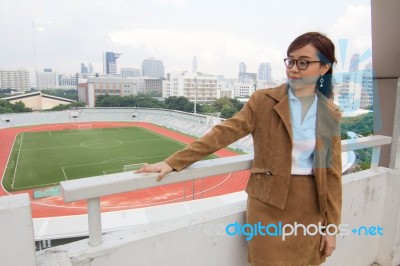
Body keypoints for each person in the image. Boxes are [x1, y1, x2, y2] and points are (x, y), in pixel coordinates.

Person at [136, 32, 342, 266]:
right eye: (290, 60)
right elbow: (225, 131)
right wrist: (174, 162)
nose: (293, 68)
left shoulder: (330, 113)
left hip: (311, 208)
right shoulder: (264, 101)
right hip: (268, 205)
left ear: (323, 68)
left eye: (303, 62)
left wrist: (331, 227)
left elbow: (332, 174)